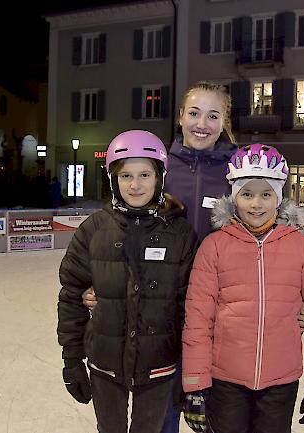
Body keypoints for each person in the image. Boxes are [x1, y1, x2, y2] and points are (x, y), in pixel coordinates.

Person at [82, 81, 304, 433]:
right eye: (193, 113)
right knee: (163, 404)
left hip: (222, 304)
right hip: (159, 303)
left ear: (224, 122)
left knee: (221, 407)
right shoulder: (158, 165)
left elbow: (275, 232)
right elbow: (118, 227)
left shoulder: (238, 168)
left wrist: (293, 297)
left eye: (212, 115)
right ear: (180, 117)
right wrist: (103, 284)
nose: (201, 123)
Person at [181, 144, 304, 433]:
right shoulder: (214, 247)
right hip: (225, 380)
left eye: (266, 194)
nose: (256, 204)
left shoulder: (300, 248)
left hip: (280, 382)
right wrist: (195, 385)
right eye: (247, 194)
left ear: (278, 198)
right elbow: (198, 320)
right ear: (234, 197)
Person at [57, 130, 199, 433]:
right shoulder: (93, 230)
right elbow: (71, 297)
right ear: (113, 181)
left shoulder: (180, 234)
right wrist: (72, 361)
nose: (135, 185)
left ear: (159, 177)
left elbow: (191, 306)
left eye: (145, 174)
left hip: (159, 363)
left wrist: (191, 369)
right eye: (126, 176)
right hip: (105, 361)